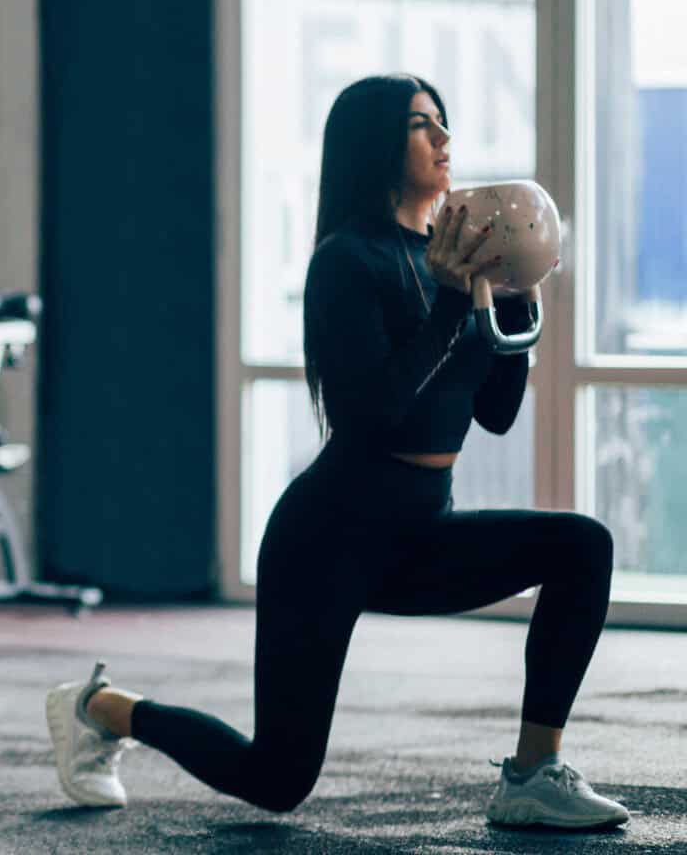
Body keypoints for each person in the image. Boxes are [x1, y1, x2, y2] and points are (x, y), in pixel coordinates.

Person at [44, 74, 629, 830]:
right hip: (327, 542)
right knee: (278, 778)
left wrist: (512, 300)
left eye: (444, 122)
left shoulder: (449, 266)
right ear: (376, 143)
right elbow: (371, 414)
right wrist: (456, 304)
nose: (445, 140)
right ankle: (99, 708)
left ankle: (531, 775)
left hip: (418, 533)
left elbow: (496, 415)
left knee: (581, 547)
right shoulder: (347, 262)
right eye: (423, 125)